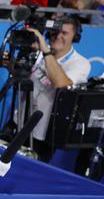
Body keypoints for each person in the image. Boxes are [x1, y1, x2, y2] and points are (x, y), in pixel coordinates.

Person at [26, 18, 90, 161]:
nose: (58, 36)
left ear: (75, 37)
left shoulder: (81, 63)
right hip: (21, 122)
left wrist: (46, 51)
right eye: (55, 31)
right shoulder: (37, 54)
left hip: (44, 133)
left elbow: (61, 83)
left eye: (64, 33)